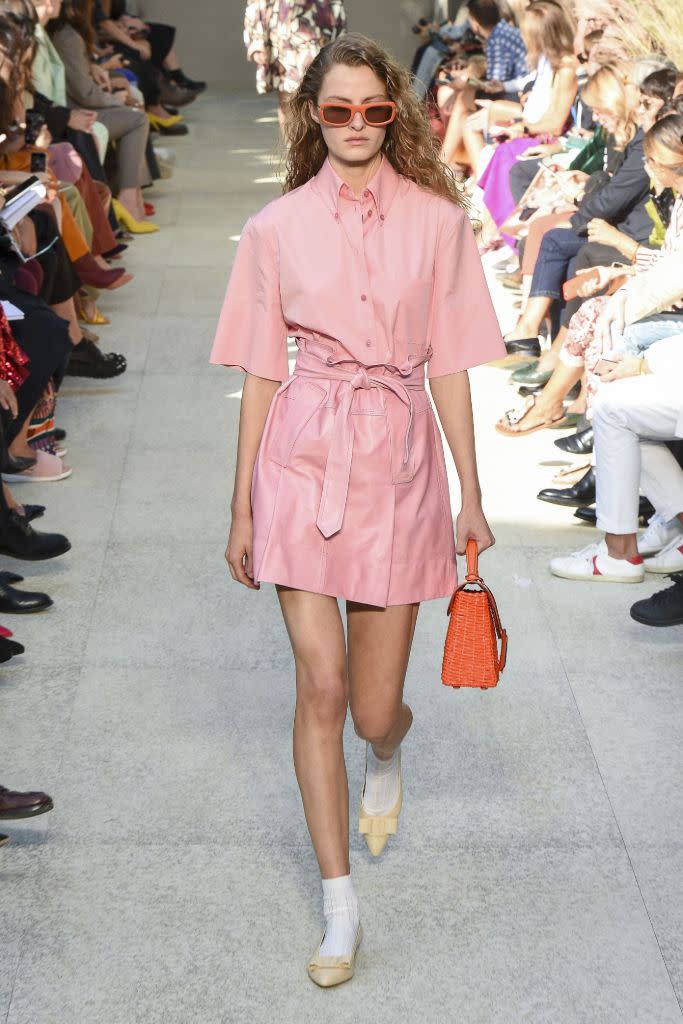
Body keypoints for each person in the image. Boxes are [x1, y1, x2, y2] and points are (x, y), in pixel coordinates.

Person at [211, 33, 505, 987]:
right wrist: (243, 505)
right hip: (302, 460)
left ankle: (390, 751)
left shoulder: (438, 222)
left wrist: (471, 492)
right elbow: (261, 370)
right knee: (322, 691)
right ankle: (339, 907)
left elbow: (452, 361)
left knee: (375, 709)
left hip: (402, 465)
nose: (352, 126)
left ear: (395, 117)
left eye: (372, 110)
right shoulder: (275, 229)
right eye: (334, 110)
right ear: (311, 114)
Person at [244, 0, 346, 130]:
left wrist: (340, 42)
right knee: (289, 99)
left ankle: (314, 146)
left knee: (317, 94)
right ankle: (293, 147)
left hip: (315, 31)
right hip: (283, 33)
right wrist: (256, 40)